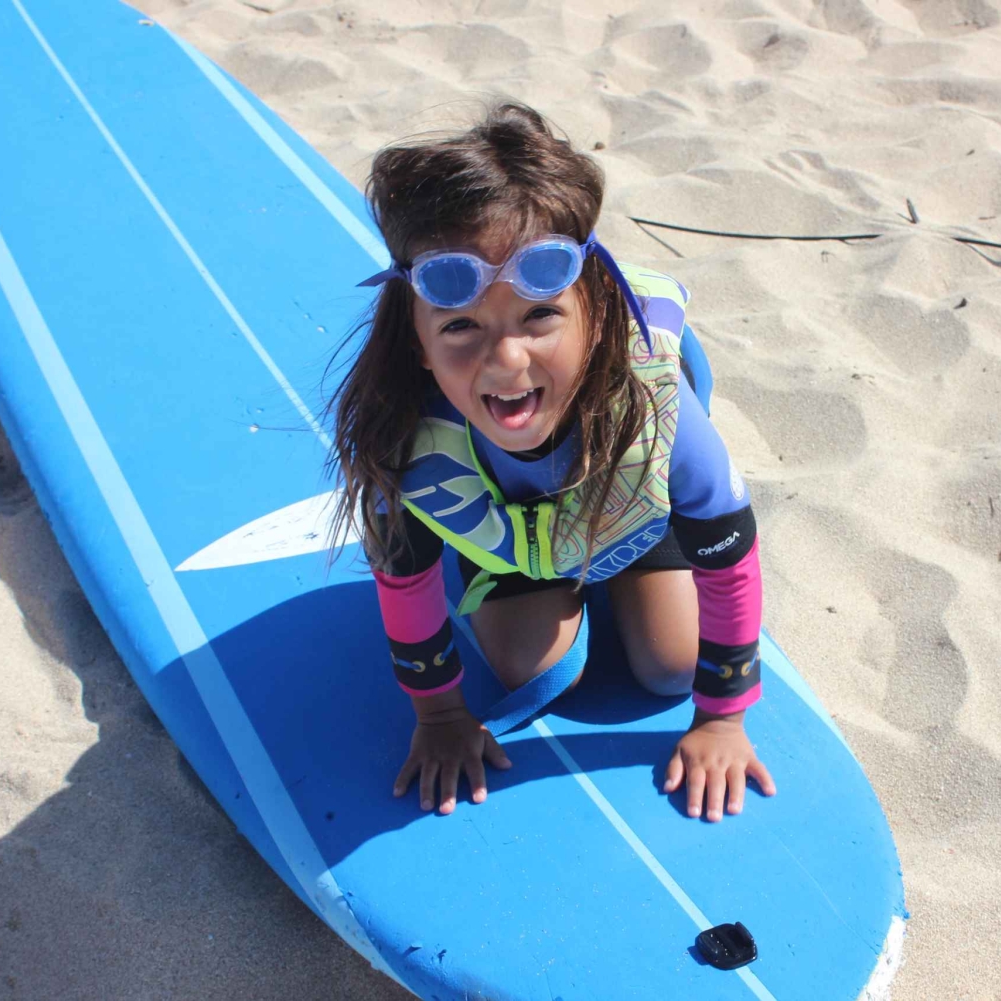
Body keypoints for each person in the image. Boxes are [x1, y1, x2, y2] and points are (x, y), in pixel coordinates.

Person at [330, 102, 775, 824]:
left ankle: (632, 580)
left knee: (670, 666)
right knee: (531, 667)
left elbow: (731, 555)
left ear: (596, 313)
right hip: (508, 528)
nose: (506, 361)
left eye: (540, 316)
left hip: (628, 507)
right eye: (460, 327)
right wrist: (441, 714)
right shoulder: (406, 438)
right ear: (417, 342)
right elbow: (404, 582)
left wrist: (722, 718)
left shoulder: (656, 407)